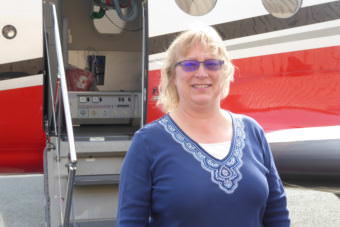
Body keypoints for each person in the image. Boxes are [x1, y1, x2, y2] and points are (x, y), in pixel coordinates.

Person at [117, 26, 290, 227]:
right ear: (172, 75)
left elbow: (277, 213)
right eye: (190, 65)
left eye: (212, 64)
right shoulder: (148, 142)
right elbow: (130, 222)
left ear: (225, 72)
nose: (201, 73)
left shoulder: (252, 131)